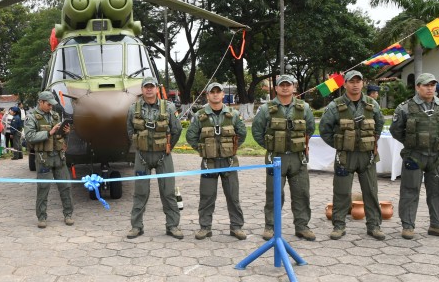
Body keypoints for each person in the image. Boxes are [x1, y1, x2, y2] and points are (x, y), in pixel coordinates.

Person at [319, 70, 385, 240]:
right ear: (345, 84)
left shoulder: (372, 104)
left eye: (358, 81)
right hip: (345, 156)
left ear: (363, 83)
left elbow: (379, 125)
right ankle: (339, 225)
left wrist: (371, 141)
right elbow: (325, 130)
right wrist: (340, 145)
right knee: (341, 192)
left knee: (371, 191)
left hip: (367, 156)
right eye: (351, 81)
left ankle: (374, 225)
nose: (355, 85)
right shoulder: (335, 106)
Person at [390, 73, 439, 240]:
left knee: (438, 190)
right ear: (417, 87)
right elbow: (396, 130)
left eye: (432, 85)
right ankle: (408, 225)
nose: (430, 88)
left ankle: (437, 225)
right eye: (426, 85)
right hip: (414, 156)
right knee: (410, 190)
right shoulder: (405, 108)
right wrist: (412, 142)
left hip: (436, 157)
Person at [251, 74, 316, 241]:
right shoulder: (266, 109)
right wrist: (271, 145)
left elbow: (310, 128)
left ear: (293, 87)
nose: (285, 88)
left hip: (297, 157)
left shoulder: (304, 107)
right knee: (273, 193)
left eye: (288, 85)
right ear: (276, 88)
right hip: (276, 158)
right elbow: (257, 131)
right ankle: (270, 226)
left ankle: (302, 226)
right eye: (282, 85)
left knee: (301, 193)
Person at [186, 82, 246, 240]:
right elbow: (191, 136)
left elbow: (242, 133)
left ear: (222, 95)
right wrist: (203, 150)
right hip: (209, 163)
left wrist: (232, 148)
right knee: (207, 196)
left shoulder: (232, 114)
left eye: (218, 92)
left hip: (229, 162)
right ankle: (205, 227)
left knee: (233, 196)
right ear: (207, 95)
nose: (215, 94)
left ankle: (236, 227)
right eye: (212, 92)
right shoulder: (200, 116)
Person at [126, 77, 182, 239]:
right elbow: (130, 130)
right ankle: (136, 226)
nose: (149, 89)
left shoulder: (169, 107)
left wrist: (168, 147)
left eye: (152, 87)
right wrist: (140, 144)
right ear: (142, 90)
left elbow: (177, 130)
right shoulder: (133, 109)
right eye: (146, 87)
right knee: (140, 192)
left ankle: (172, 226)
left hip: (163, 156)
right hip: (142, 156)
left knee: (168, 192)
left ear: (156, 89)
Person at [24, 92, 74, 228]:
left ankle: (68, 214)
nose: (51, 107)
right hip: (44, 159)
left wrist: (65, 132)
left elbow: (61, 138)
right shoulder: (31, 117)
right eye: (48, 104)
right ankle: (41, 217)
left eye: (52, 104)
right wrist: (49, 132)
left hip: (59, 157)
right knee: (43, 188)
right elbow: (29, 136)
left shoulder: (55, 116)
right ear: (40, 102)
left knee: (65, 187)